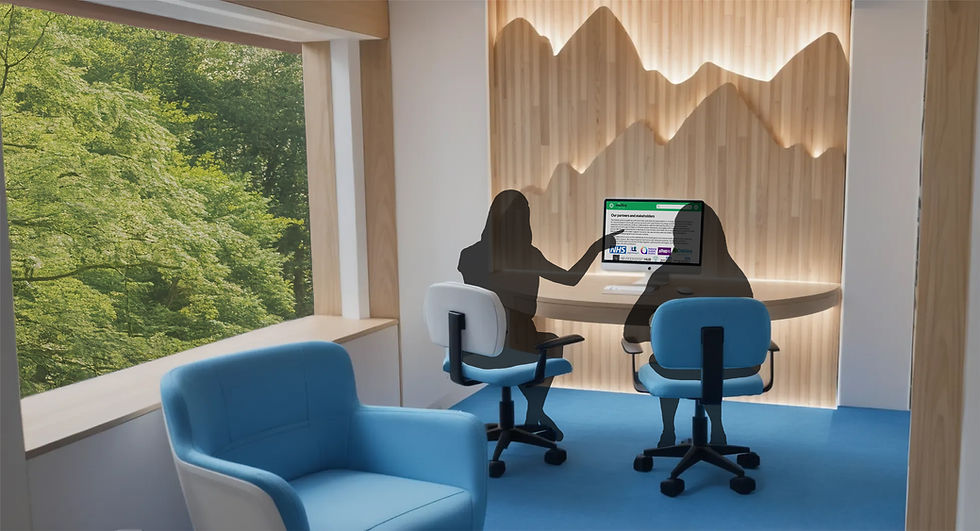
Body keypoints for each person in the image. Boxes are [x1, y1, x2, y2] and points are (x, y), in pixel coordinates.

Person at [458, 189, 620, 441]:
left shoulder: (467, 255)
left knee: (531, 341)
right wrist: (595, 249)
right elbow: (571, 279)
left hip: (477, 348)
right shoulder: (528, 255)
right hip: (515, 345)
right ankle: (534, 413)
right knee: (549, 344)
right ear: (524, 221)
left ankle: (534, 413)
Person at [622, 202, 760, 447]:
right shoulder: (736, 275)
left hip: (676, 368)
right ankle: (718, 431)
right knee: (712, 360)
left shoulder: (666, 275)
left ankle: (668, 433)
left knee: (666, 359)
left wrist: (653, 291)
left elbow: (632, 332)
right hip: (735, 368)